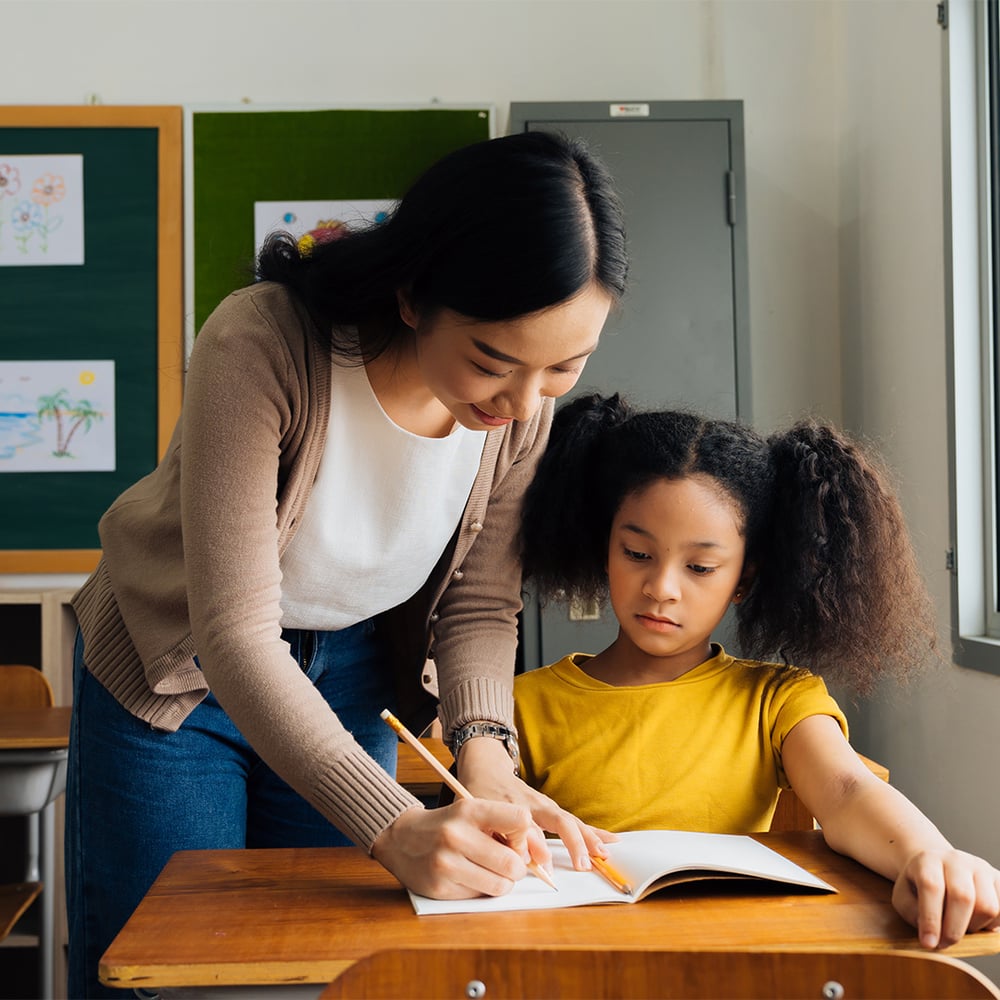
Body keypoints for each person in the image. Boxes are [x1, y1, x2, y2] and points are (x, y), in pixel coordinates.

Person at [66, 132, 627, 997]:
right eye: (492, 361)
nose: (522, 403)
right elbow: (234, 633)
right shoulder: (263, 342)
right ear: (412, 295)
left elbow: (480, 605)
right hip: (174, 671)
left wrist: (486, 757)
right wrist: (394, 823)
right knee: (165, 968)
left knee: (333, 966)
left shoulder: (521, 416)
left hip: (353, 672)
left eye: (563, 368)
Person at [515, 392, 1000, 951]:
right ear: (606, 550)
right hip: (574, 953)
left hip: (735, 951)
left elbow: (847, 790)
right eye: (637, 554)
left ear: (742, 581)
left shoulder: (778, 699)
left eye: (701, 567)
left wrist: (927, 854)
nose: (662, 588)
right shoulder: (522, 702)